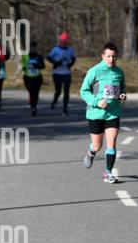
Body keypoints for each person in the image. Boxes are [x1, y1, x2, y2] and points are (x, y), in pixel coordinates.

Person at [80, 42, 126, 183]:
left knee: (111, 144)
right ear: (103, 56)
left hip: (113, 112)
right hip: (96, 114)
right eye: (109, 56)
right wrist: (96, 102)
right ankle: (91, 152)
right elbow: (83, 91)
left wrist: (122, 95)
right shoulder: (94, 71)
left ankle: (108, 172)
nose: (111, 59)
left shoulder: (119, 72)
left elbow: (122, 89)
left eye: (114, 57)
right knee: (97, 146)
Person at [47, 32, 76, 115]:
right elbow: (48, 58)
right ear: (59, 41)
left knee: (66, 91)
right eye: (61, 41)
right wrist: (55, 63)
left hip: (66, 73)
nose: (63, 43)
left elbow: (73, 58)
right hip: (57, 73)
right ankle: (54, 101)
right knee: (58, 90)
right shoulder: (55, 50)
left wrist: (70, 64)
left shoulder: (70, 50)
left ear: (66, 42)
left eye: (64, 42)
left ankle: (65, 108)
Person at [20, 41, 45, 116]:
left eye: (34, 48)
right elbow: (23, 65)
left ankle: (34, 106)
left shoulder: (38, 56)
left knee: (36, 93)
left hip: (37, 77)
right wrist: (25, 67)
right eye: (31, 48)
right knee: (31, 92)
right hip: (28, 77)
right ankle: (33, 106)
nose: (32, 49)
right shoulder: (25, 56)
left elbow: (43, 66)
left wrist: (36, 65)